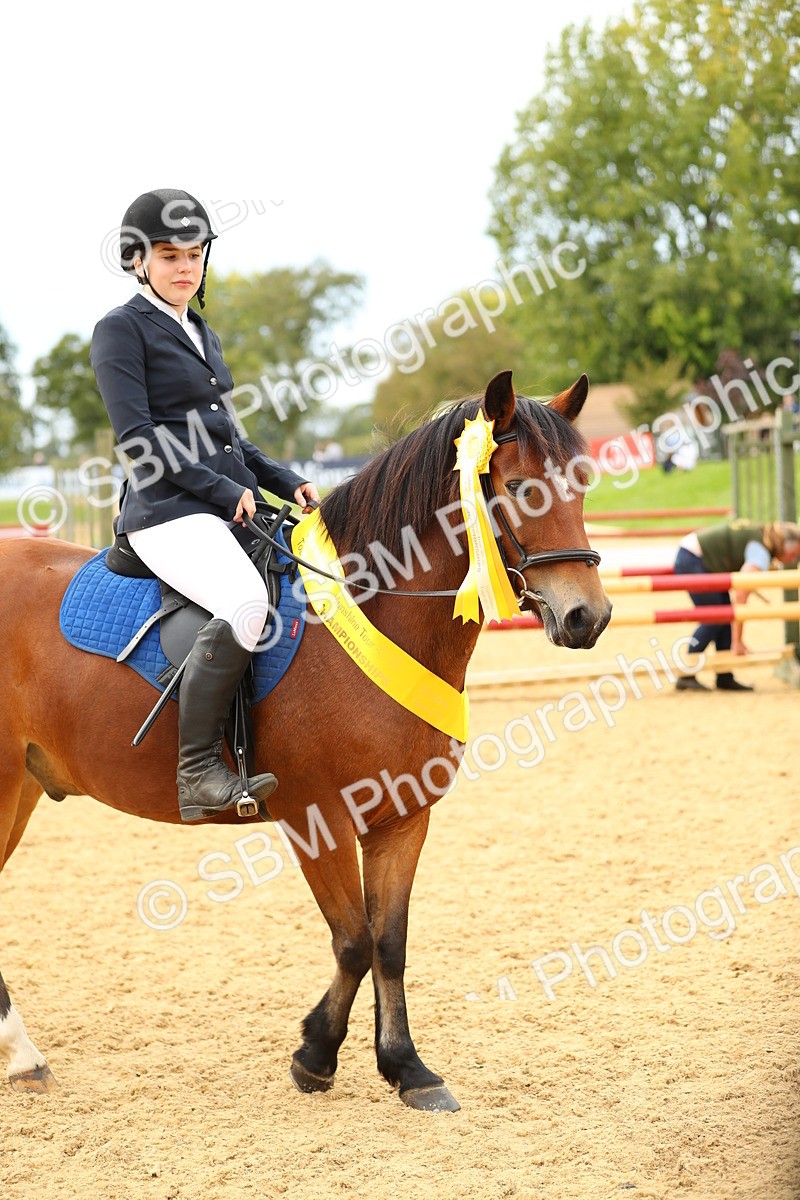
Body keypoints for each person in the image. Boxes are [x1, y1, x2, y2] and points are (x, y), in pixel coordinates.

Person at [91, 188, 320, 822]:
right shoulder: (120, 329)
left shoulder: (199, 330)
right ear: (138, 260)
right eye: (170, 256)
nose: (185, 268)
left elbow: (229, 440)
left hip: (215, 505)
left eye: (195, 255)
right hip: (163, 513)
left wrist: (283, 480)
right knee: (247, 604)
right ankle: (197, 770)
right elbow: (140, 440)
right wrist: (227, 493)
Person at [673, 518, 800, 692]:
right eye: (794, 554)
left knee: (723, 615)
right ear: (785, 546)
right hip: (695, 559)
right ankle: (687, 674)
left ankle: (724, 676)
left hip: (695, 555)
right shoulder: (761, 552)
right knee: (714, 618)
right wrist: (737, 641)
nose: (794, 559)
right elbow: (741, 595)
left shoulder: (759, 536)